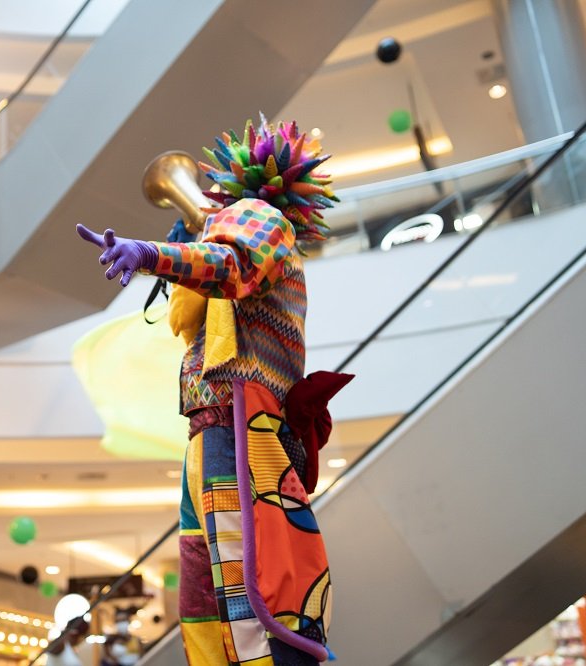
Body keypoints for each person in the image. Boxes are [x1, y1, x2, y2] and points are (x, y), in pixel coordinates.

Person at [77, 116, 353, 665]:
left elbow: (231, 263)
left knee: (248, 596)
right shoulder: (247, 237)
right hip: (215, 429)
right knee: (209, 597)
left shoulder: (263, 221)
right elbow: (205, 287)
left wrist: (153, 253)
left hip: (237, 424)